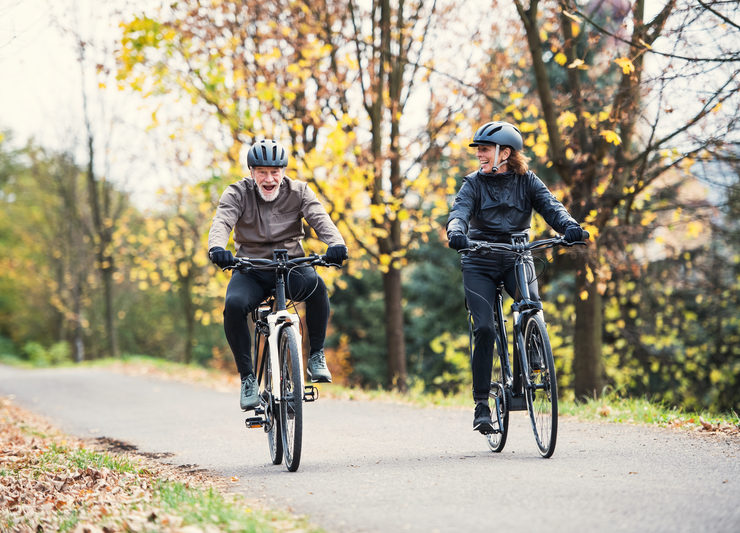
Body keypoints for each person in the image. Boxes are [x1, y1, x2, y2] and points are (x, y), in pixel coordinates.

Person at [446, 121, 585, 433]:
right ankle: (482, 403)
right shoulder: (472, 184)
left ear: (504, 153)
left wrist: (569, 226)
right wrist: (456, 231)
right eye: (479, 149)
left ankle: (534, 356)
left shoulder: (528, 181)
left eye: (484, 149)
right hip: (479, 260)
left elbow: (552, 208)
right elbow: (459, 213)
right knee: (484, 328)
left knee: (531, 305)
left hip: (517, 256)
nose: (479, 154)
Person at [208, 139, 348, 411]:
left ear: (283, 171)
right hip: (251, 268)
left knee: (317, 287)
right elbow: (222, 220)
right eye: (261, 172)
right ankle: (248, 378)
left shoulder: (299, 191)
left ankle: (316, 355)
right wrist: (217, 248)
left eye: (275, 172)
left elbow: (320, 218)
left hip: (291, 265)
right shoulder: (237, 193)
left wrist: (337, 244)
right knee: (234, 306)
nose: (269, 178)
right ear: (251, 172)